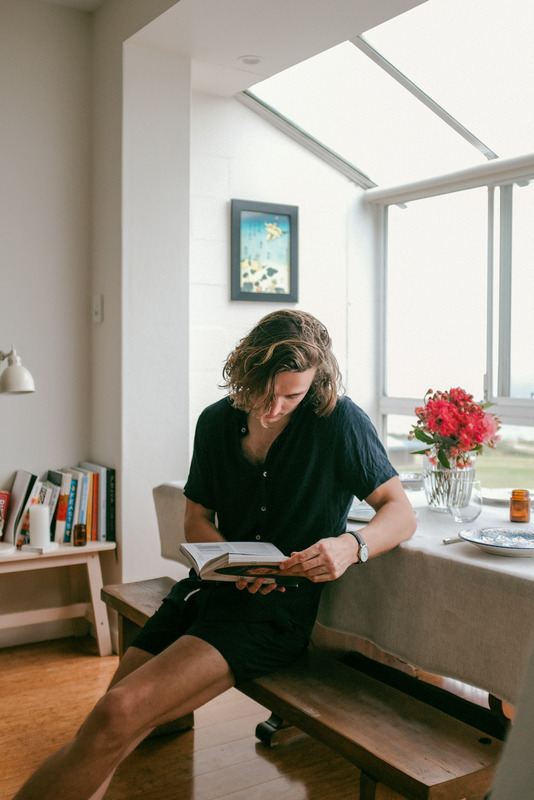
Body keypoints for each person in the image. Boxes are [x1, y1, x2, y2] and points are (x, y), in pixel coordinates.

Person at [13, 309, 416, 800]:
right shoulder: (215, 423)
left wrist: (352, 546)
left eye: (292, 396)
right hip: (207, 591)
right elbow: (196, 520)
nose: (274, 409)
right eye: (266, 394)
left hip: (271, 613)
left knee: (116, 715)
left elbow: (399, 511)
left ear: (316, 382)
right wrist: (231, 565)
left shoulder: (338, 422)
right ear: (245, 373)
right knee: (112, 720)